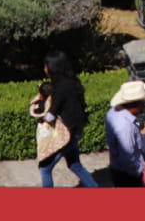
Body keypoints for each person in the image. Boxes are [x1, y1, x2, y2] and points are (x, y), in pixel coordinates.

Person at [38, 51, 99, 187]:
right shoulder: (71, 81)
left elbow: (50, 115)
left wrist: (40, 113)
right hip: (75, 130)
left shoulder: (59, 87)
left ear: (50, 68)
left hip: (66, 134)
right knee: (75, 165)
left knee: (45, 168)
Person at [106, 79, 145, 187]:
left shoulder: (113, 112)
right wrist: (141, 172)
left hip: (119, 170)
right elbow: (128, 158)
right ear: (135, 105)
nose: (144, 106)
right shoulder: (125, 126)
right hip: (128, 177)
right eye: (143, 103)